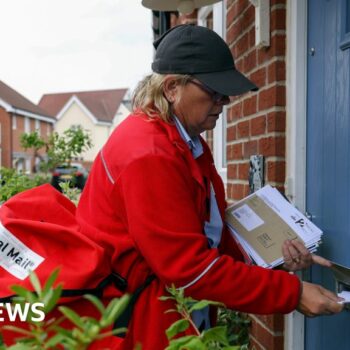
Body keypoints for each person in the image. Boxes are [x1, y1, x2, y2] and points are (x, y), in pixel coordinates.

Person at [76, 24, 343, 349]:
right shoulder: (149, 154)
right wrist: (293, 293)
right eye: (214, 90)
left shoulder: (184, 141)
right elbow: (188, 269)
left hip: (168, 309)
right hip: (142, 322)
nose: (225, 101)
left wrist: (272, 254)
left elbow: (206, 229)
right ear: (172, 87)